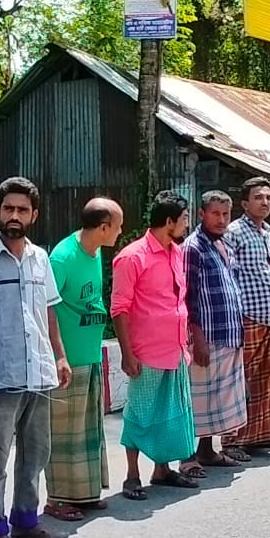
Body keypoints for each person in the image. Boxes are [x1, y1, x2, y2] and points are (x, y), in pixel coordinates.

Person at [0, 176, 72, 538]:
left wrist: (59, 355)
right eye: (8, 208)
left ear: (33, 215)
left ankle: (26, 519)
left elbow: (49, 310)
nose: (14, 215)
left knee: (37, 451)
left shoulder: (41, 258)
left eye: (22, 210)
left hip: (38, 370)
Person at [113, 191, 199, 498]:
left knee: (170, 412)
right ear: (169, 221)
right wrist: (127, 353)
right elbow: (119, 308)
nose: (187, 224)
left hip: (175, 348)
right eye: (185, 218)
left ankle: (162, 470)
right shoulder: (132, 256)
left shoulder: (176, 252)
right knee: (140, 413)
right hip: (146, 351)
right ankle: (132, 476)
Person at [43, 197, 123, 521]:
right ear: (103, 227)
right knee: (64, 434)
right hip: (68, 359)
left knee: (88, 431)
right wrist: (58, 355)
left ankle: (85, 493)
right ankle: (58, 499)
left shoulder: (96, 251)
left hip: (90, 354)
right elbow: (46, 306)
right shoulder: (62, 257)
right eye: (117, 226)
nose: (120, 232)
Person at [221, 177, 270, 456]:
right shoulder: (234, 232)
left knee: (269, 382)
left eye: (268, 198)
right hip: (249, 318)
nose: (265, 202)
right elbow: (231, 276)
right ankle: (233, 440)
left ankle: (262, 435)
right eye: (258, 197)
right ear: (244, 203)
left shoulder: (267, 233)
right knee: (243, 382)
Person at [182, 191, 250, 468]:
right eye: (215, 214)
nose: (221, 220)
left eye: (225, 214)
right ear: (201, 214)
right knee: (197, 398)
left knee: (216, 398)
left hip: (228, 333)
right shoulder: (193, 247)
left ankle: (207, 450)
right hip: (207, 335)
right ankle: (188, 456)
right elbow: (189, 296)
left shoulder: (223, 245)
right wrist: (197, 338)